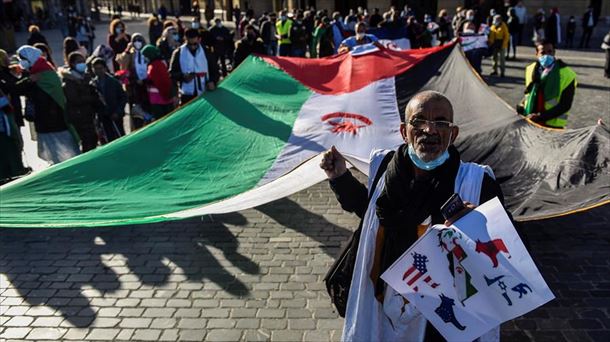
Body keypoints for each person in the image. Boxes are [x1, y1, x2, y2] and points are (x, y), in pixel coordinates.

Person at [321, 91, 505, 342]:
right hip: (383, 306)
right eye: (418, 121)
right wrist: (341, 178)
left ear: (453, 134)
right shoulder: (385, 167)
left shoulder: (476, 182)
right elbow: (373, 218)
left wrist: (479, 225)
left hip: (440, 320)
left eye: (440, 122)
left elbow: (513, 251)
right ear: (404, 131)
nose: (429, 130)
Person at [13, 46, 80, 164]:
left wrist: (30, 81)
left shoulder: (44, 72)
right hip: (44, 121)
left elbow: (53, 92)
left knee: (68, 152)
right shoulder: (32, 72)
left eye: (22, 58)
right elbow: (17, 89)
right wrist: (29, 80)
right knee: (54, 155)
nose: (21, 62)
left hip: (55, 119)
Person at [517, 40, 577, 129]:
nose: (546, 55)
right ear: (537, 54)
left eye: (550, 52)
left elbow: (565, 105)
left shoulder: (568, 74)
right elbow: (529, 93)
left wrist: (540, 117)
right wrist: (521, 107)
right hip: (530, 121)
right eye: (543, 52)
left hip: (552, 124)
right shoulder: (530, 69)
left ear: (554, 52)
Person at [59, 51, 101, 152]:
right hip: (79, 115)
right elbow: (74, 99)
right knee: (87, 140)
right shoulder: (69, 80)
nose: (82, 63)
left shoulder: (85, 76)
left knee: (93, 138)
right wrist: (91, 98)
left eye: (83, 61)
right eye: (79, 62)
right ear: (72, 64)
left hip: (87, 114)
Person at [169, 28, 216, 106]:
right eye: (189, 44)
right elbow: (172, 73)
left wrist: (213, 81)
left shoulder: (206, 51)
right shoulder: (178, 53)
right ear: (185, 39)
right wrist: (183, 76)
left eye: (195, 44)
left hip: (205, 91)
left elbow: (214, 70)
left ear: (199, 40)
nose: (192, 47)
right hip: (187, 94)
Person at [115, 33, 149, 129]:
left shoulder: (146, 52)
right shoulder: (130, 54)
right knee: (135, 113)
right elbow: (123, 66)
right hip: (134, 88)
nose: (138, 43)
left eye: (140, 40)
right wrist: (127, 50)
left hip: (146, 87)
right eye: (135, 40)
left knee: (146, 110)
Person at [91, 57, 127, 143]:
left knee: (120, 137)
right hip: (103, 117)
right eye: (95, 69)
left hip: (115, 115)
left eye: (100, 68)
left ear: (105, 68)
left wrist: (118, 112)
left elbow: (123, 97)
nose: (98, 71)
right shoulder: (93, 83)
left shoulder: (113, 81)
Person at [141, 45, 174, 119]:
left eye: (145, 56)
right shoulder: (158, 64)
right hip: (159, 99)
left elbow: (161, 82)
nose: (144, 58)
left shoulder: (155, 66)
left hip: (159, 100)